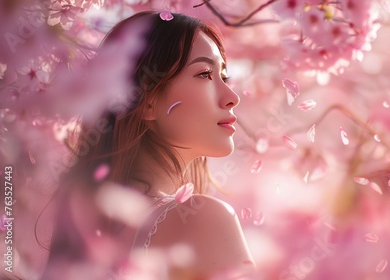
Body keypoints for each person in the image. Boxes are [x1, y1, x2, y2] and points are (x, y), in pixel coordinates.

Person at [39, 11, 255, 280]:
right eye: (204, 74)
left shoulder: (85, 238)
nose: (231, 97)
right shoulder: (204, 218)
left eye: (225, 76)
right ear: (148, 101)